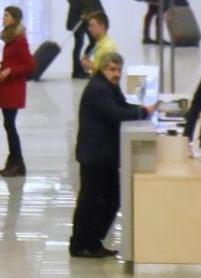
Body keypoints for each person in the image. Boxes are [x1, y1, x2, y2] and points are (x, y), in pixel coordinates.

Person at [70, 51, 155, 258]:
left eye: (118, 70)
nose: (116, 74)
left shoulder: (108, 86)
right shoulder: (98, 89)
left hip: (102, 155)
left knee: (109, 197)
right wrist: (143, 113)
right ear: (102, 68)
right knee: (91, 201)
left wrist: (142, 109)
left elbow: (122, 106)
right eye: (112, 69)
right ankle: (82, 244)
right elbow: (115, 113)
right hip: (95, 156)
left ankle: (91, 241)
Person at [0, 5, 35, 177]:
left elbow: (30, 65)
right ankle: (13, 161)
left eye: (7, 15)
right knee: (8, 125)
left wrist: (10, 71)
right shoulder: (10, 38)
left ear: (15, 19)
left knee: (10, 126)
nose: (3, 18)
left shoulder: (19, 40)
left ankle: (17, 162)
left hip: (13, 88)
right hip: (7, 87)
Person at [67, 0, 102, 78]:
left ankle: (83, 65)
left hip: (90, 16)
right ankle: (77, 70)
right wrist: (81, 12)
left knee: (93, 42)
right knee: (79, 43)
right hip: (80, 18)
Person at [80, 11, 117, 76]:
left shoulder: (108, 47)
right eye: (89, 26)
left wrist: (90, 66)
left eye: (92, 26)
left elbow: (110, 72)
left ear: (102, 26)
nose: (89, 29)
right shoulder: (99, 44)